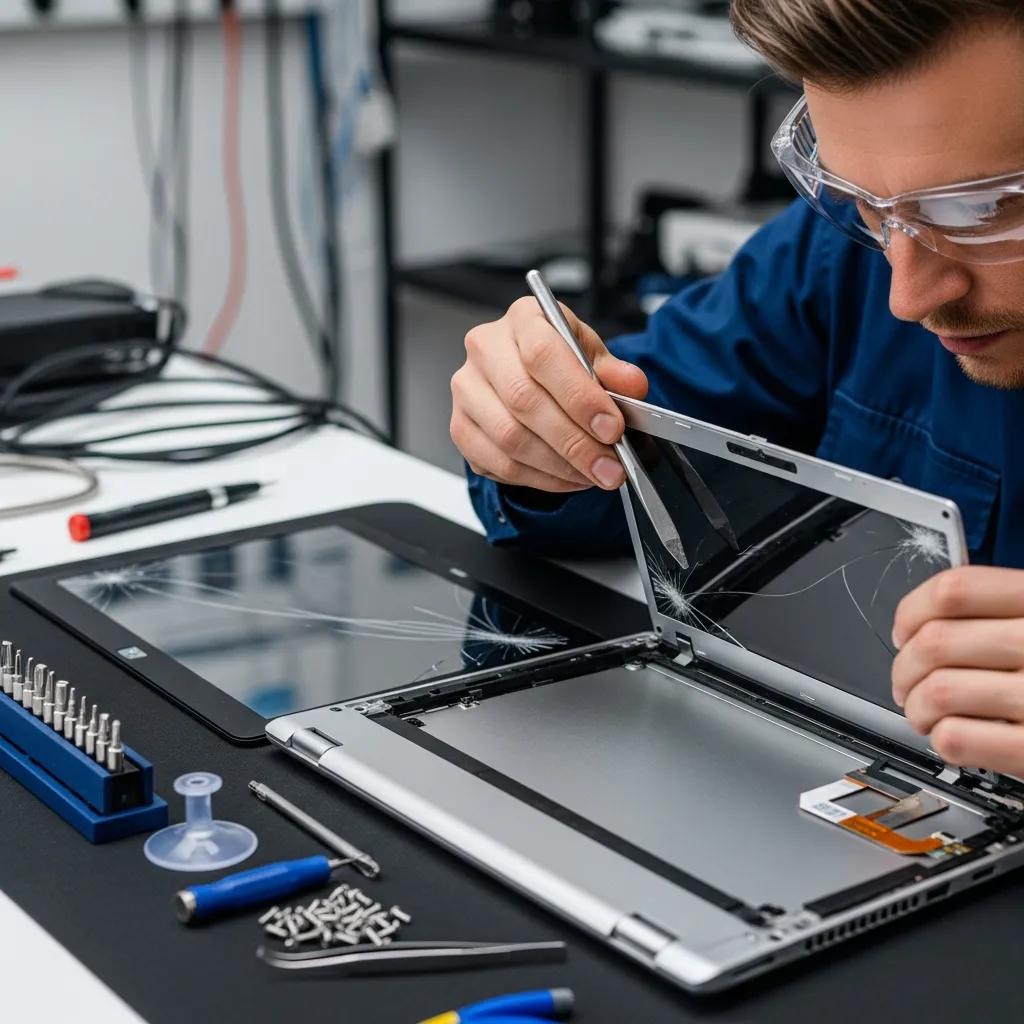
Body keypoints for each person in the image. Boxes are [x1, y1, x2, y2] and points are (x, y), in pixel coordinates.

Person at [448, 1, 1024, 776]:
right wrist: (536, 424)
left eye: (978, 210)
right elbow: (617, 473)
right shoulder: (844, 255)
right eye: (861, 201)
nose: (908, 297)